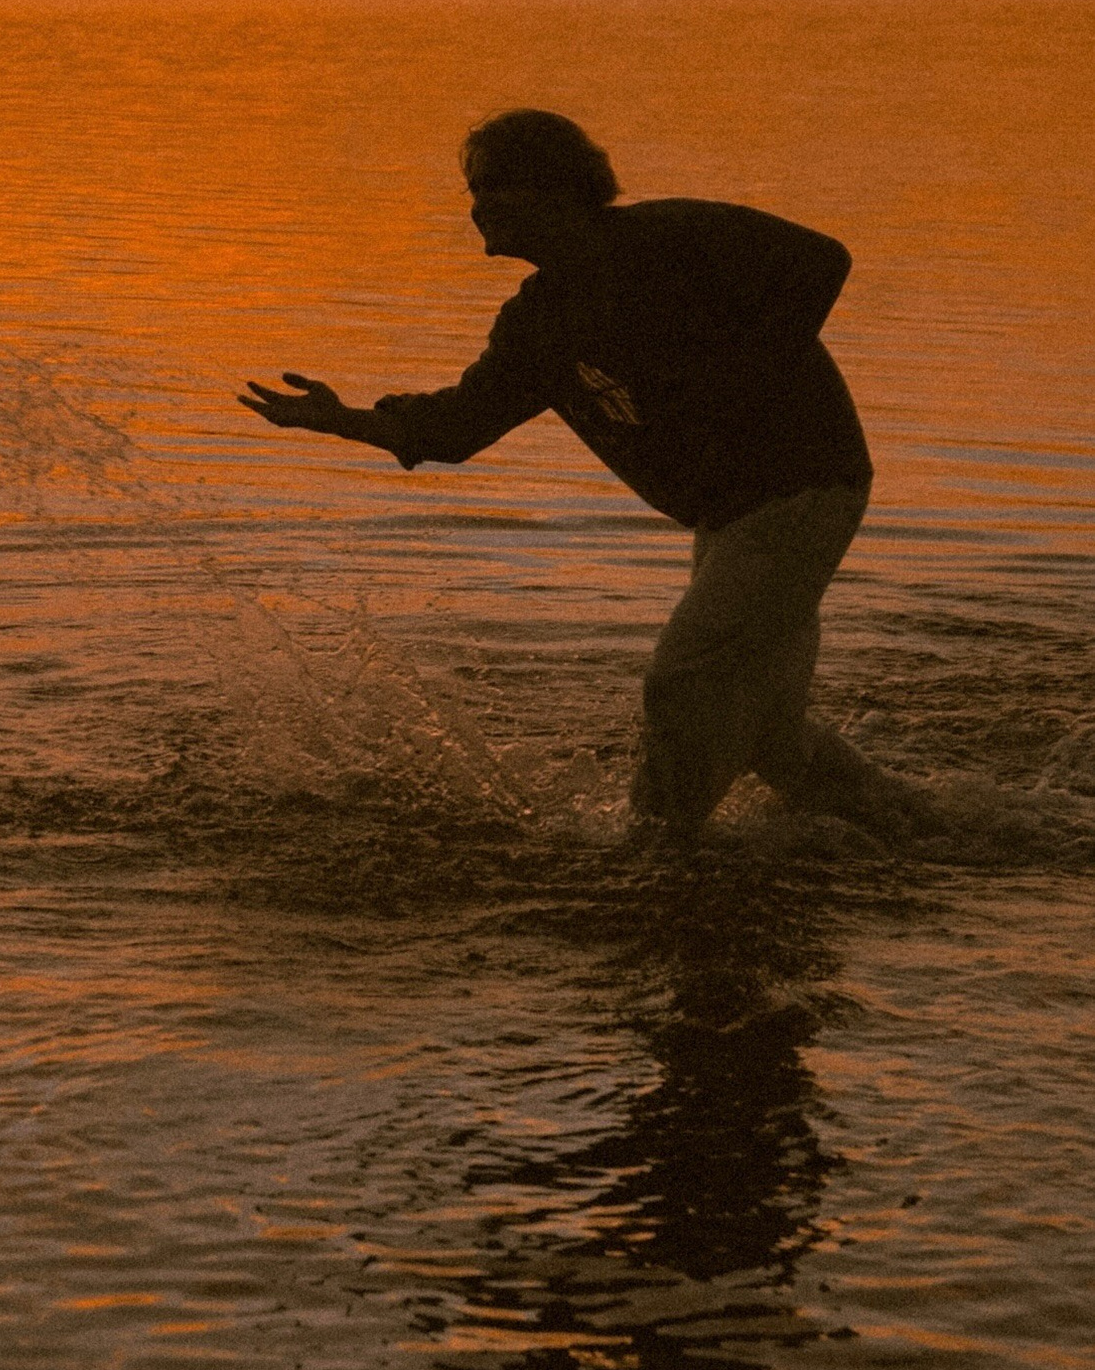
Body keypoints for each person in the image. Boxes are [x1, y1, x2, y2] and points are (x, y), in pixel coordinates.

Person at [241, 109, 902, 843]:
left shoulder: (667, 238)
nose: (476, 207)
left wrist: (741, 372)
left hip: (803, 486)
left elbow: (821, 262)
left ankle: (654, 853)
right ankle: (928, 830)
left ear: (555, 187)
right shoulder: (538, 322)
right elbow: (458, 428)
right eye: (472, 189)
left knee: (681, 681)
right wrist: (344, 420)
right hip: (733, 515)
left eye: (493, 186)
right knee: (768, 734)